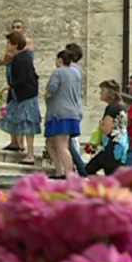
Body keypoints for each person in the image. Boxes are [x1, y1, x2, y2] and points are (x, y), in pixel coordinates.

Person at [0, 31, 41, 164]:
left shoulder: (19, 59)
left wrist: (8, 87)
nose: (7, 46)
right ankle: (17, 144)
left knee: (27, 123)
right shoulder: (24, 57)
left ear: (15, 45)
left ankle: (30, 154)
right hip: (25, 95)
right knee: (11, 116)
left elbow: (22, 79)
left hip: (25, 95)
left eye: (9, 43)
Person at [44, 50, 83, 178]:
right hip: (72, 112)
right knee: (50, 143)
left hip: (59, 112)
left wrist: (46, 96)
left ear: (60, 60)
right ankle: (59, 172)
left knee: (62, 145)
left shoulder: (58, 72)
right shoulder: (76, 73)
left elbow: (51, 89)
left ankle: (69, 174)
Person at [85, 80, 129, 176]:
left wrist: (101, 123)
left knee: (89, 169)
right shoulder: (121, 107)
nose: (100, 93)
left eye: (102, 91)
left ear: (108, 93)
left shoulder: (111, 108)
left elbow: (106, 130)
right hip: (120, 147)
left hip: (111, 148)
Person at [65, 42, 87, 176]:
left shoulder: (70, 70)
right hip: (75, 107)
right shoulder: (76, 70)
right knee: (69, 141)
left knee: (66, 142)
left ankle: (81, 169)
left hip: (70, 108)